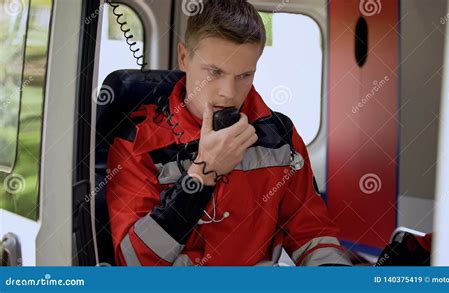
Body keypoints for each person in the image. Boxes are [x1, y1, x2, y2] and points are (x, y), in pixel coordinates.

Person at [106, 0, 351, 266]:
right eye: (215, 72)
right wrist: (202, 175)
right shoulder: (138, 141)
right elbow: (134, 264)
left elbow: (313, 235)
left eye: (245, 75)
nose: (229, 92)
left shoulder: (281, 136)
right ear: (184, 57)